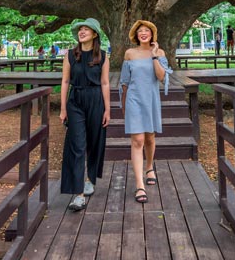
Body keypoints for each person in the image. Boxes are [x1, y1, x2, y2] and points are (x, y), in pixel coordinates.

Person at [60, 19, 111, 212]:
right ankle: (78, 194)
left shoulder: (103, 56)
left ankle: (90, 178)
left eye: (86, 29)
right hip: (76, 101)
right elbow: (65, 81)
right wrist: (63, 108)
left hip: (96, 99)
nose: (81, 32)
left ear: (95, 34)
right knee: (77, 145)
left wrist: (108, 109)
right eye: (79, 29)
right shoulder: (70, 55)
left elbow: (105, 83)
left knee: (95, 142)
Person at [120, 20, 167, 205]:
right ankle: (140, 185)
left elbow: (161, 77)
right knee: (137, 140)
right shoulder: (130, 53)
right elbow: (124, 81)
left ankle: (149, 167)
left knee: (150, 138)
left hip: (151, 99)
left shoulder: (160, 53)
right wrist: (123, 105)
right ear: (135, 35)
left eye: (147, 30)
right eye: (140, 31)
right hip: (133, 99)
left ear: (152, 34)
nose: (143, 33)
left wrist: (154, 56)